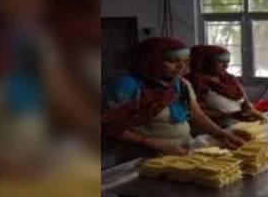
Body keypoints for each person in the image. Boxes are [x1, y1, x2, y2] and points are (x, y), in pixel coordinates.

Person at [102, 37, 245, 161]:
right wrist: (153, 143)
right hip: (141, 158)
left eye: (185, 61)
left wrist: (222, 135)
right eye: (172, 61)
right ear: (151, 61)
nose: (181, 66)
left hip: (181, 152)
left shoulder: (180, 84)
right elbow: (109, 126)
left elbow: (197, 115)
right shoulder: (127, 86)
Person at [186, 45, 265, 128]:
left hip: (241, 126)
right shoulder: (193, 83)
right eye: (221, 62)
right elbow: (194, 113)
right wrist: (229, 115)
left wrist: (248, 107)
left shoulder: (230, 79)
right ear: (206, 62)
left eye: (227, 62)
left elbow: (244, 100)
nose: (226, 66)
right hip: (214, 130)